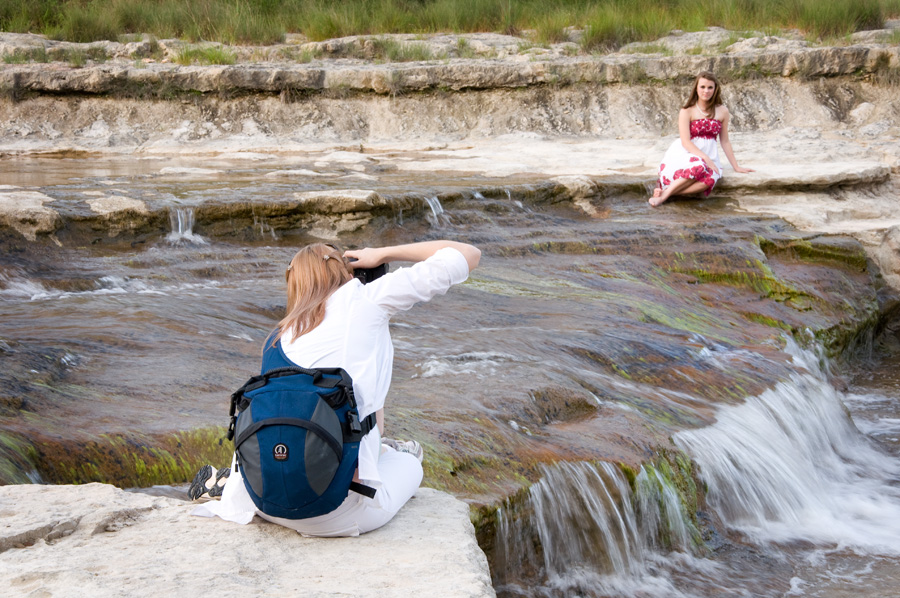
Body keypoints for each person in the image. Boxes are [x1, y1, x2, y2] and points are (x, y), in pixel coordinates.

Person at [192, 239, 481, 537]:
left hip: (263, 504)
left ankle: (231, 482)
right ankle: (392, 452)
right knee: (410, 461)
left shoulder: (277, 337)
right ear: (346, 273)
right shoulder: (368, 299)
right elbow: (469, 254)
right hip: (339, 513)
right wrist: (383, 253)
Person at [650, 71, 754, 207]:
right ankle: (663, 198)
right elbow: (685, 141)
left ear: (715, 89)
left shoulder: (722, 111)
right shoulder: (687, 111)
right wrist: (706, 159)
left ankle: (667, 193)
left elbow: (725, 141)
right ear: (696, 88)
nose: (706, 91)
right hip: (688, 151)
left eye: (710, 87)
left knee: (710, 180)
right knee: (699, 167)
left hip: (710, 153)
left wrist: (736, 166)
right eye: (702, 87)